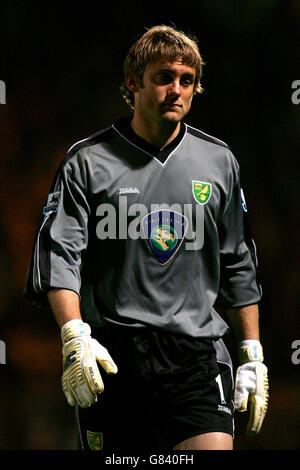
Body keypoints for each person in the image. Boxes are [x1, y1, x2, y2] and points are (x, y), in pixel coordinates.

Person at [24, 25, 269, 451]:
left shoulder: (219, 162)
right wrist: (73, 337)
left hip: (197, 357)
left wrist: (252, 352)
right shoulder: (87, 161)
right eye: (164, 78)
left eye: (187, 80)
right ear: (133, 83)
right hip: (114, 357)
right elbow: (60, 256)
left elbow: (239, 262)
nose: (176, 90)